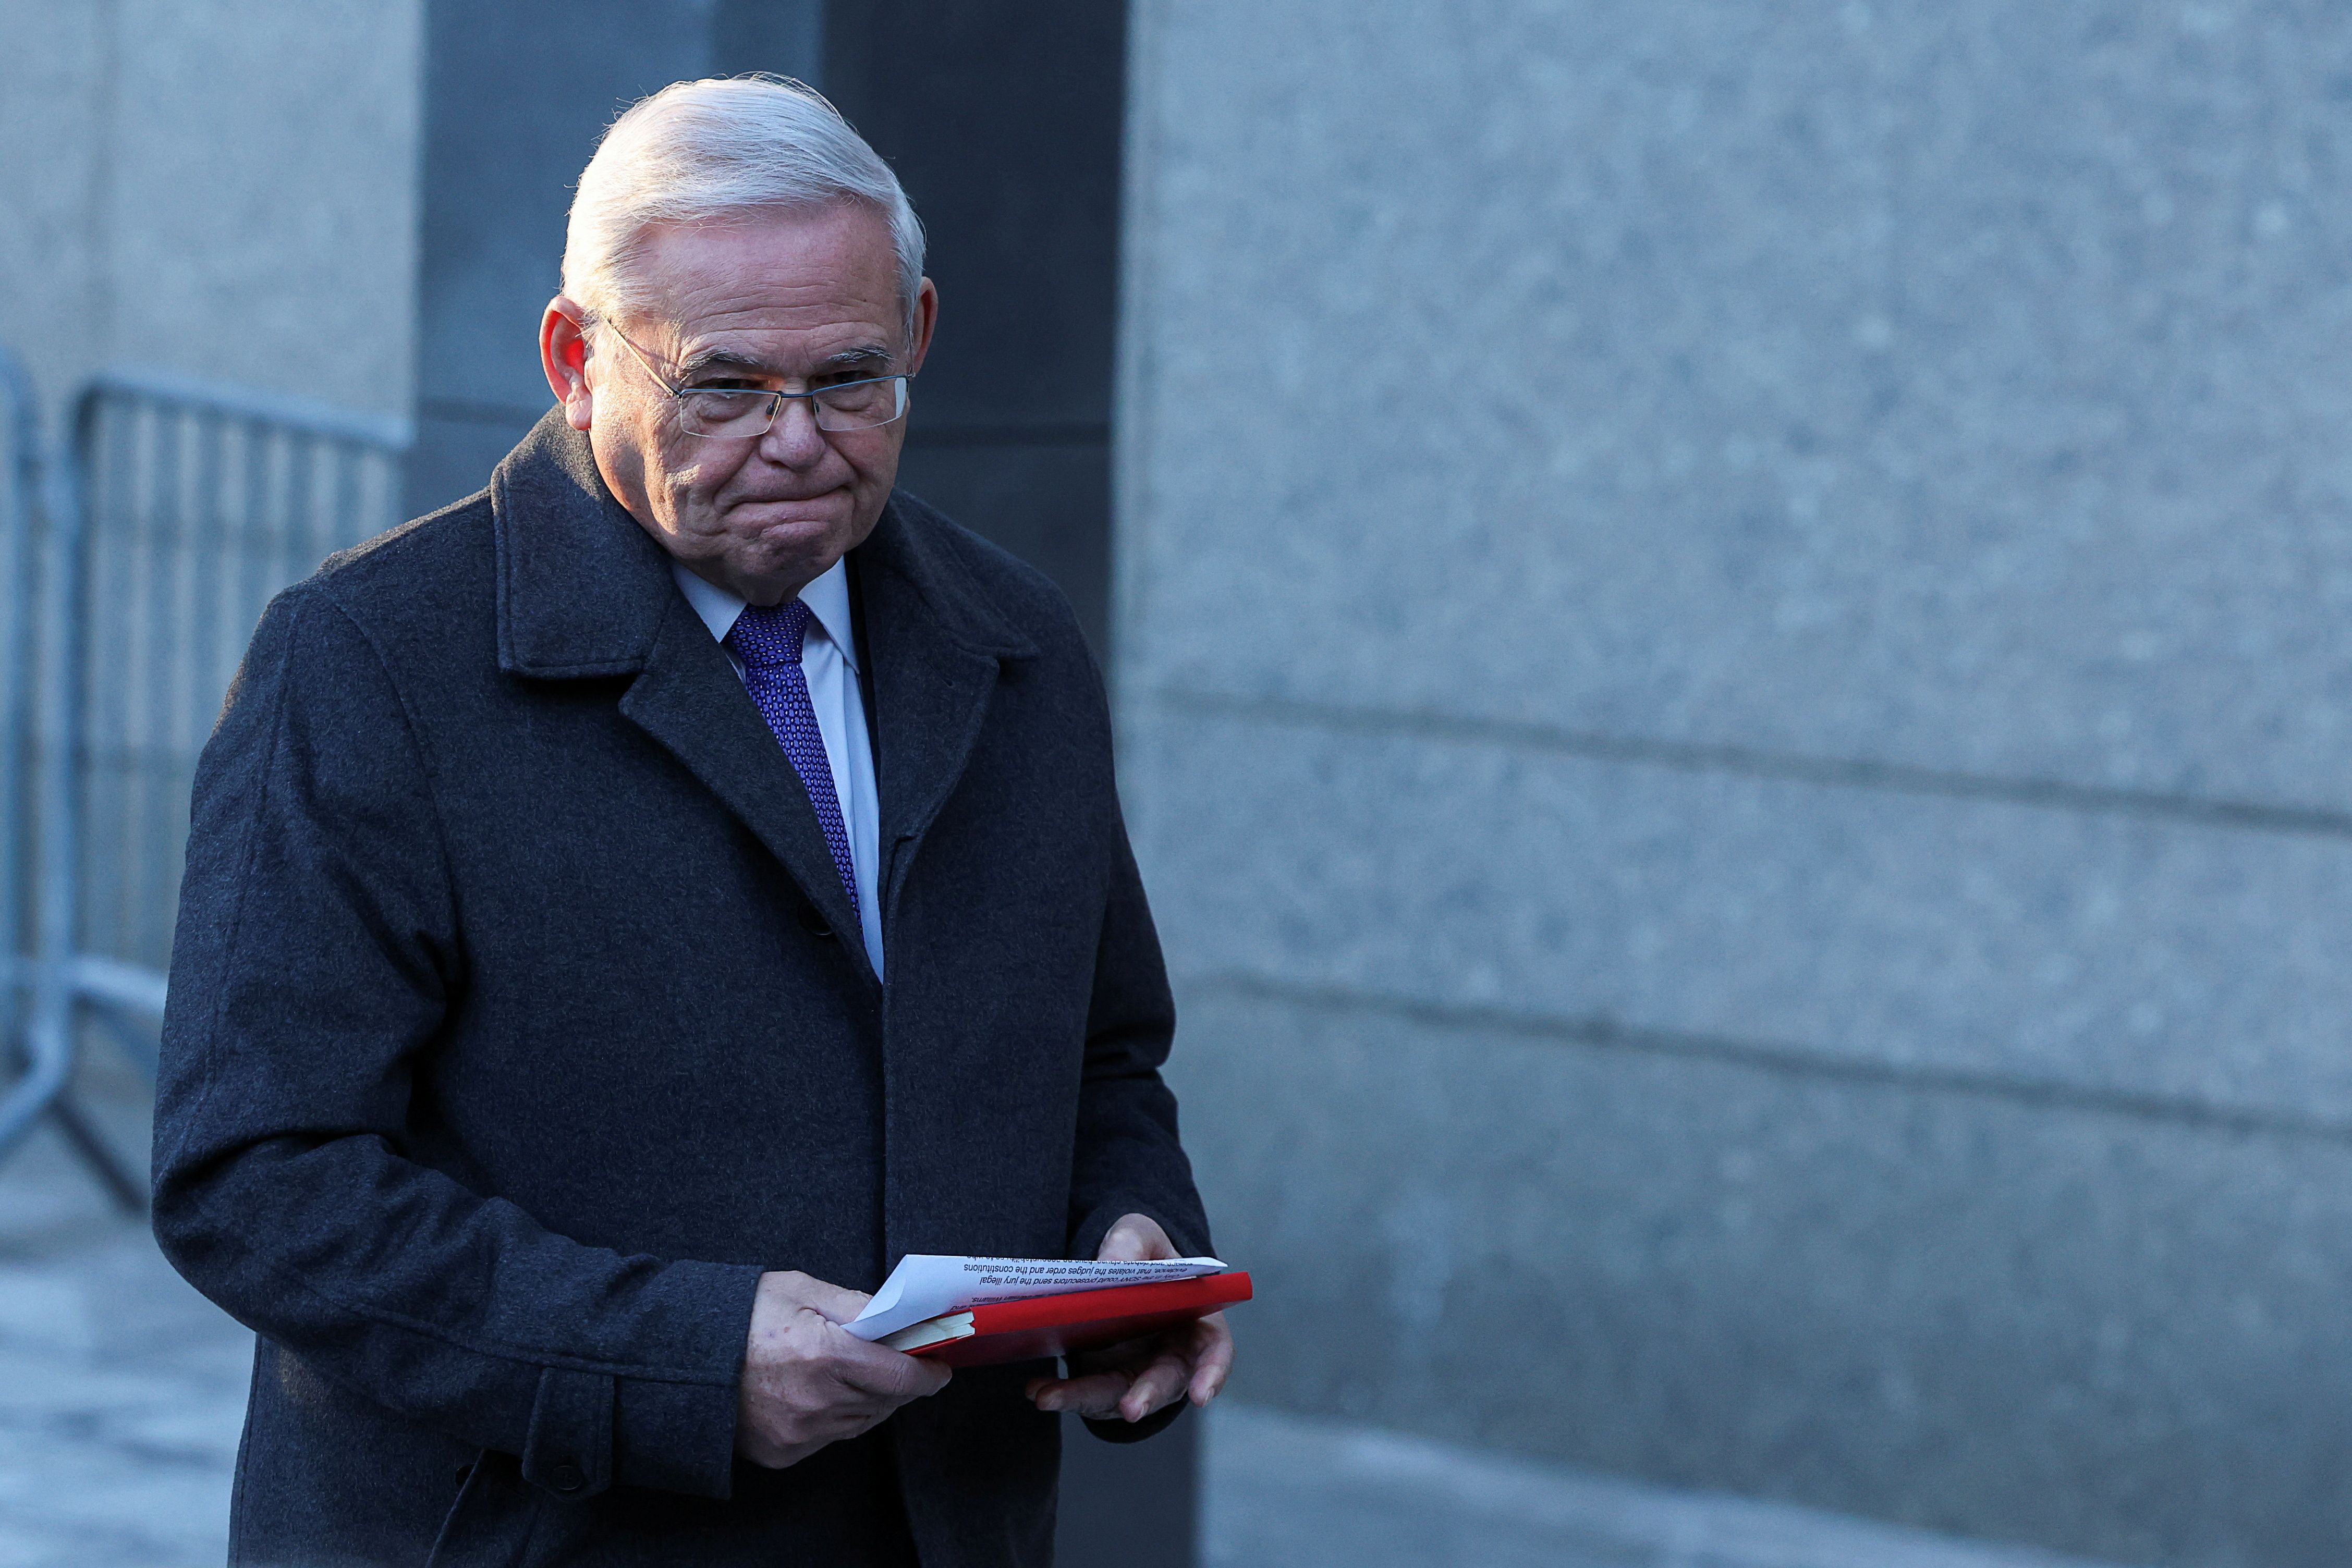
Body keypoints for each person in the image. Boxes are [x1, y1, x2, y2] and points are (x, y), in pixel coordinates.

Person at [150, 75, 1229, 1567]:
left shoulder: (1015, 641)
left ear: (918, 334)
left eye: (848, 379)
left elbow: (1100, 1057)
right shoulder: (369, 661)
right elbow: (255, 1182)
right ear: (575, 360)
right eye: (725, 387)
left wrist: (1134, 1243)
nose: (795, 440)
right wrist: (681, 1360)